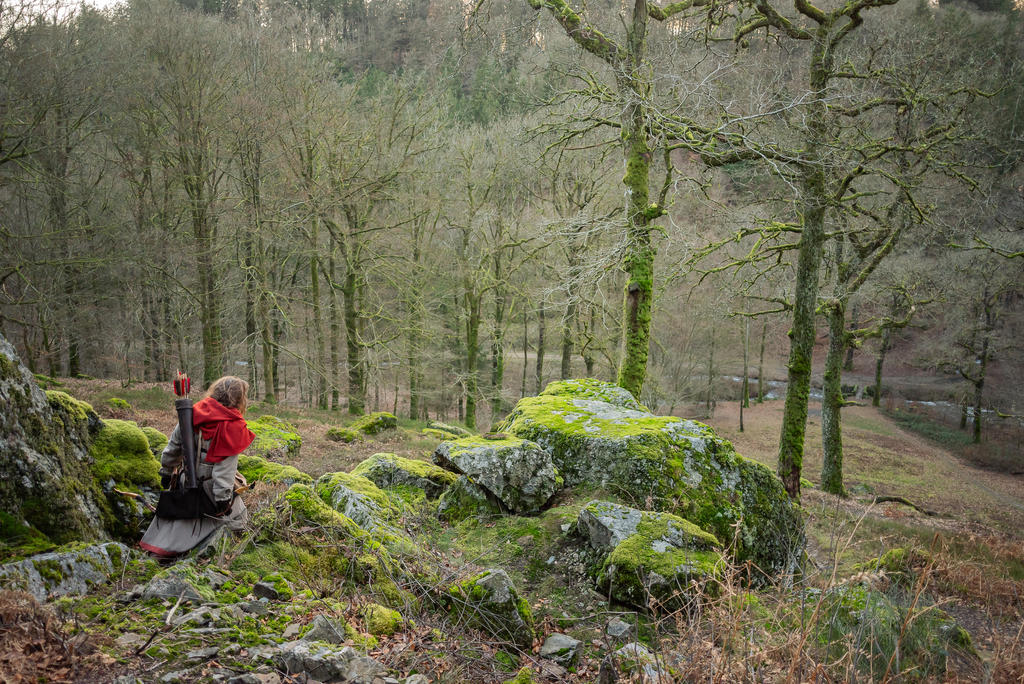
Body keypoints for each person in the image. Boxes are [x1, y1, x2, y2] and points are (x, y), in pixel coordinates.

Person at [139, 376, 255, 558]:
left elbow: (173, 448)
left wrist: (166, 471)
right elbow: (223, 470)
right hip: (210, 491)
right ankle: (195, 545)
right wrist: (223, 500)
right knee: (238, 515)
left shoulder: (193, 412)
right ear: (240, 399)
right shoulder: (233, 426)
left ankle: (166, 542)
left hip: (185, 481)